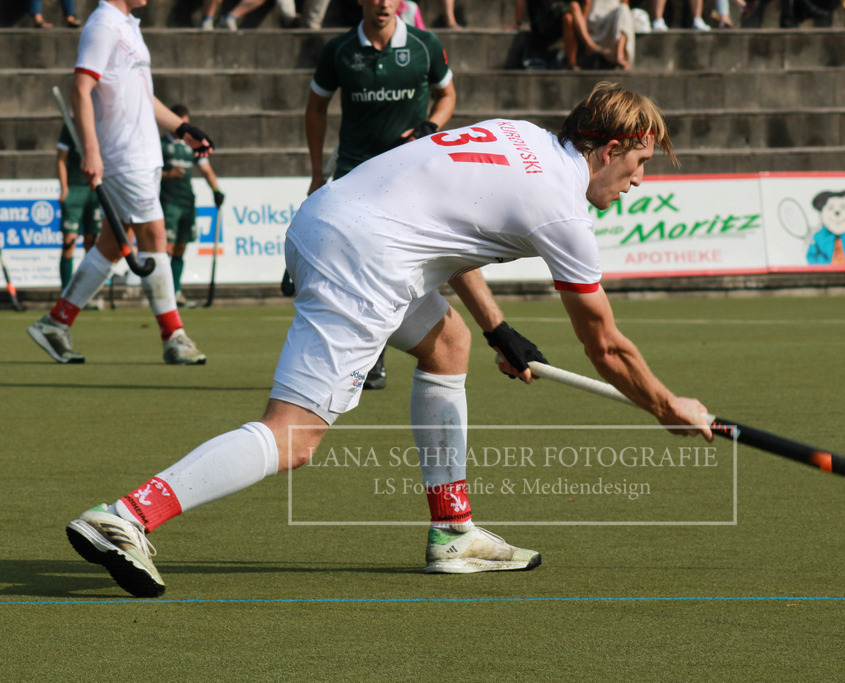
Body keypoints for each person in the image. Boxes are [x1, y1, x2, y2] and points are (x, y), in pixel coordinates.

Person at [64, 82, 715, 598]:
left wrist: (498, 328)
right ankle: (128, 514)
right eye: (638, 163)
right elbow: (605, 344)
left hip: (333, 222)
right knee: (294, 434)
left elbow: (447, 227)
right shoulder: (564, 206)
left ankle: (453, 531)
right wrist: (667, 406)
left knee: (448, 345)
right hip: (366, 258)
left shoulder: (523, 138)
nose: (637, 180)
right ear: (609, 148)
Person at [27, 0, 213, 366]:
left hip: (141, 154)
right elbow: (81, 88)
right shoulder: (103, 24)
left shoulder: (128, 24)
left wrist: (181, 128)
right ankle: (173, 336)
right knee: (155, 236)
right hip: (124, 155)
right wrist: (91, 152)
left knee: (112, 245)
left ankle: (55, 323)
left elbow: (141, 95)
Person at [302, 0, 457, 389]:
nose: (384, 3)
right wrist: (316, 171)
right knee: (360, 267)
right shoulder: (338, 50)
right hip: (355, 174)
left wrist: (429, 126)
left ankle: (395, 351)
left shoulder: (424, 44)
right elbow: (315, 108)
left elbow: (447, 95)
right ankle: (370, 359)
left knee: (402, 267)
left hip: (410, 176)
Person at [160, 104, 225, 307]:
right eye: (182, 124)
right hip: (167, 202)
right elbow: (149, 173)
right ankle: (163, 295)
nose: (186, 128)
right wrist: (167, 175)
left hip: (187, 202)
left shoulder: (191, 145)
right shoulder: (160, 144)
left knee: (181, 247)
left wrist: (216, 190)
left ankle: (176, 292)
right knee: (166, 248)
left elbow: (206, 170)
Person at [56, 124, 102, 294]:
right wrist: (64, 188)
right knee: (69, 241)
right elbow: (61, 158)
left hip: (95, 189)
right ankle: (66, 293)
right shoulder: (70, 125)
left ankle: (85, 293)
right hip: (75, 188)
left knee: (92, 243)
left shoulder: (102, 122)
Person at [587, 0, 634, 68]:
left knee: (624, 9)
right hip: (595, 22)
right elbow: (587, 3)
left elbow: (625, 2)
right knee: (623, 10)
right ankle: (620, 58)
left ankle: (620, 55)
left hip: (613, 20)